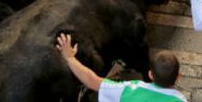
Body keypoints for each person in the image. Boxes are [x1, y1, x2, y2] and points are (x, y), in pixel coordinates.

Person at [55, 33, 188, 101]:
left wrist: (69, 58)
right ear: (178, 77)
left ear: (150, 74)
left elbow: (92, 81)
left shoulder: (128, 89)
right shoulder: (180, 100)